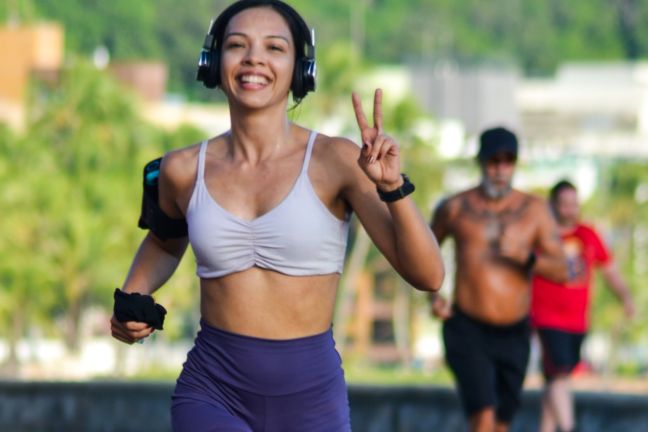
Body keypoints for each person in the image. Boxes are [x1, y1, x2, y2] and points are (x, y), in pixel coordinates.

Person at [110, 1, 445, 431]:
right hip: (212, 393)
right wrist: (132, 300)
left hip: (313, 401)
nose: (254, 59)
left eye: (274, 48)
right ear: (213, 63)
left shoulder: (338, 161)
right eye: (237, 45)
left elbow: (429, 276)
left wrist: (393, 188)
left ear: (300, 70)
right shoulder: (180, 169)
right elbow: (163, 242)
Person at [429, 126, 568, 432]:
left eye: (508, 162)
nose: (501, 170)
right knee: (483, 418)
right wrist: (433, 296)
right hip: (467, 328)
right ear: (481, 162)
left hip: (515, 332)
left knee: (501, 424)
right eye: (494, 161)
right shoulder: (455, 209)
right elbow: (424, 253)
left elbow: (563, 271)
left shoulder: (534, 211)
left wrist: (525, 256)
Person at [531, 179, 635, 432]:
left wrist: (625, 297)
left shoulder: (588, 234)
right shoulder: (540, 235)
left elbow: (609, 270)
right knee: (557, 375)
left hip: (577, 321)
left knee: (557, 379)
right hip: (545, 318)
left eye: (574, 204)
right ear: (553, 205)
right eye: (564, 204)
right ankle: (569, 427)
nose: (570, 209)